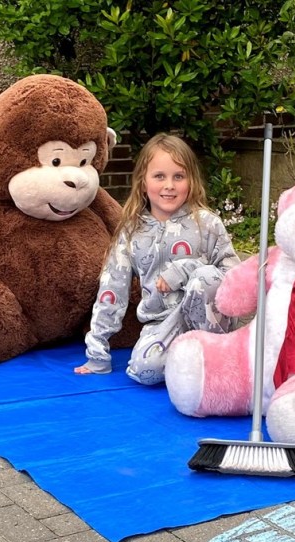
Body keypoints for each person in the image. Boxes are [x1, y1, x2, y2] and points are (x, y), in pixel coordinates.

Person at [75, 133, 240, 385]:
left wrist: (184, 269)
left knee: (204, 277)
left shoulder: (207, 223)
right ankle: (190, 363)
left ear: (191, 181)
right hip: (164, 324)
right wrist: (97, 351)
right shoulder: (131, 232)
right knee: (144, 371)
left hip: (211, 322)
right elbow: (112, 289)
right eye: (159, 176)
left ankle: (219, 356)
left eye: (178, 176)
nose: (169, 185)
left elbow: (234, 278)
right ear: (143, 182)